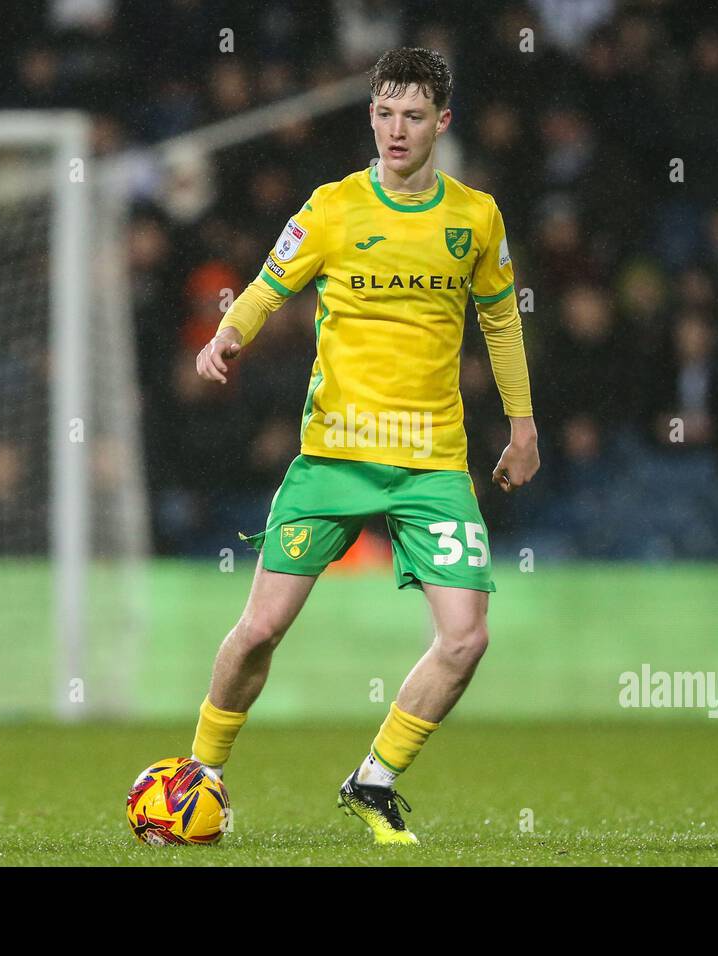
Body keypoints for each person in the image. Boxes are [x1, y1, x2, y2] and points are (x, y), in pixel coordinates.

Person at [190, 47, 538, 844]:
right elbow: (270, 281)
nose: (395, 129)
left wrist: (522, 425)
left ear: (442, 123)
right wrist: (229, 334)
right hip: (335, 459)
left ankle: (373, 778)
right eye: (384, 112)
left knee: (467, 637)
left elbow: (502, 322)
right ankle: (203, 769)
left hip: (432, 463)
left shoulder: (475, 217)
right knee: (260, 630)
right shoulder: (334, 207)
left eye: (413, 115)